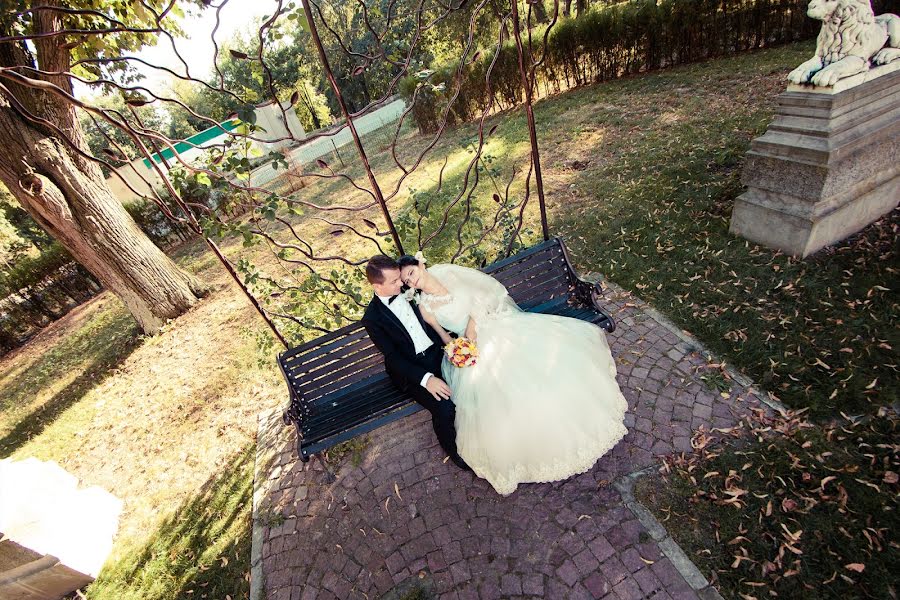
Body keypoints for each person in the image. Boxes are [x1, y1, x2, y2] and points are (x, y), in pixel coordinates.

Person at [398, 253, 628, 496]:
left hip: (492, 325)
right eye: (406, 282)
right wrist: (458, 350)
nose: (411, 282)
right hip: (469, 347)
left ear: (421, 264)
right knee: (492, 392)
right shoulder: (425, 307)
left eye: (411, 273)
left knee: (530, 369)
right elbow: (444, 336)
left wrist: (472, 334)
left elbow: (482, 296)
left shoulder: (448, 272)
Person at [361, 255, 470, 470]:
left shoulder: (411, 289)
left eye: (400, 278)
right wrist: (426, 379)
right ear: (377, 286)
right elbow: (392, 358)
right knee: (444, 406)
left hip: (439, 353)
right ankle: (455, 453)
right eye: (394, 282)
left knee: (471, 384)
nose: (401, 283)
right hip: (413, 370)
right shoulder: (372, 318)